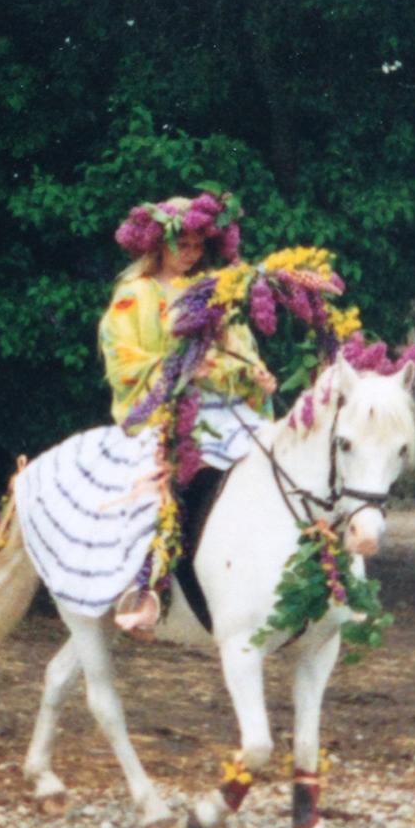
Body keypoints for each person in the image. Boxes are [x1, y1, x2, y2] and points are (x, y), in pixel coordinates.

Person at [97, 192, 276, 635]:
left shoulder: (212, 291)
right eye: (184, 245)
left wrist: (255, 374)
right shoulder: (134, 295)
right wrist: (181, 370)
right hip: (169, 408)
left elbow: (239, 346)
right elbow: (123, 361)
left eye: (198, 246)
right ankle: (150, 588)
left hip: (227, 406)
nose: (191, 254)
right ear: (159, 244)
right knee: (168, 481)